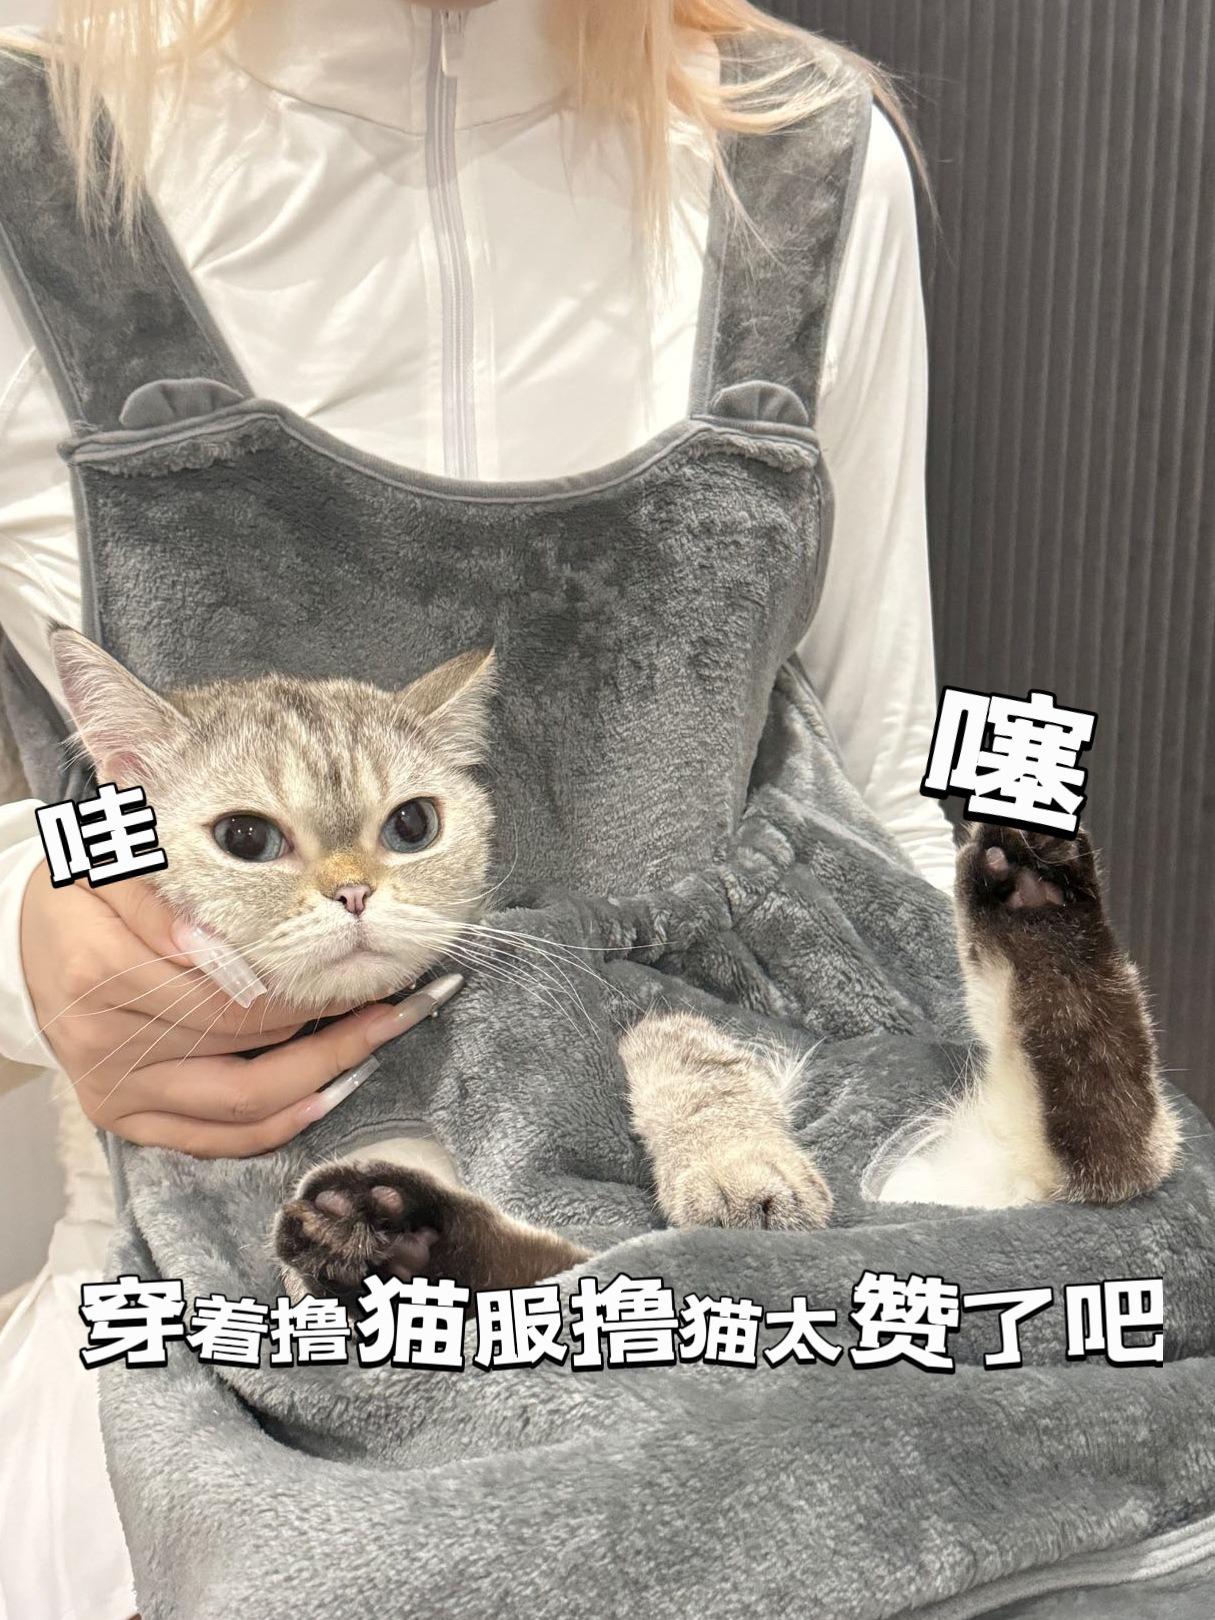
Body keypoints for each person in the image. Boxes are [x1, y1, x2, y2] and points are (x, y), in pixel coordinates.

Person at [0, 2, 955, 1615]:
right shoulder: (33, 144)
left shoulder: (800, 154)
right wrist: (28, 939)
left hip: (745, 1261)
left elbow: (892, 767)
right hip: (219, 1324)